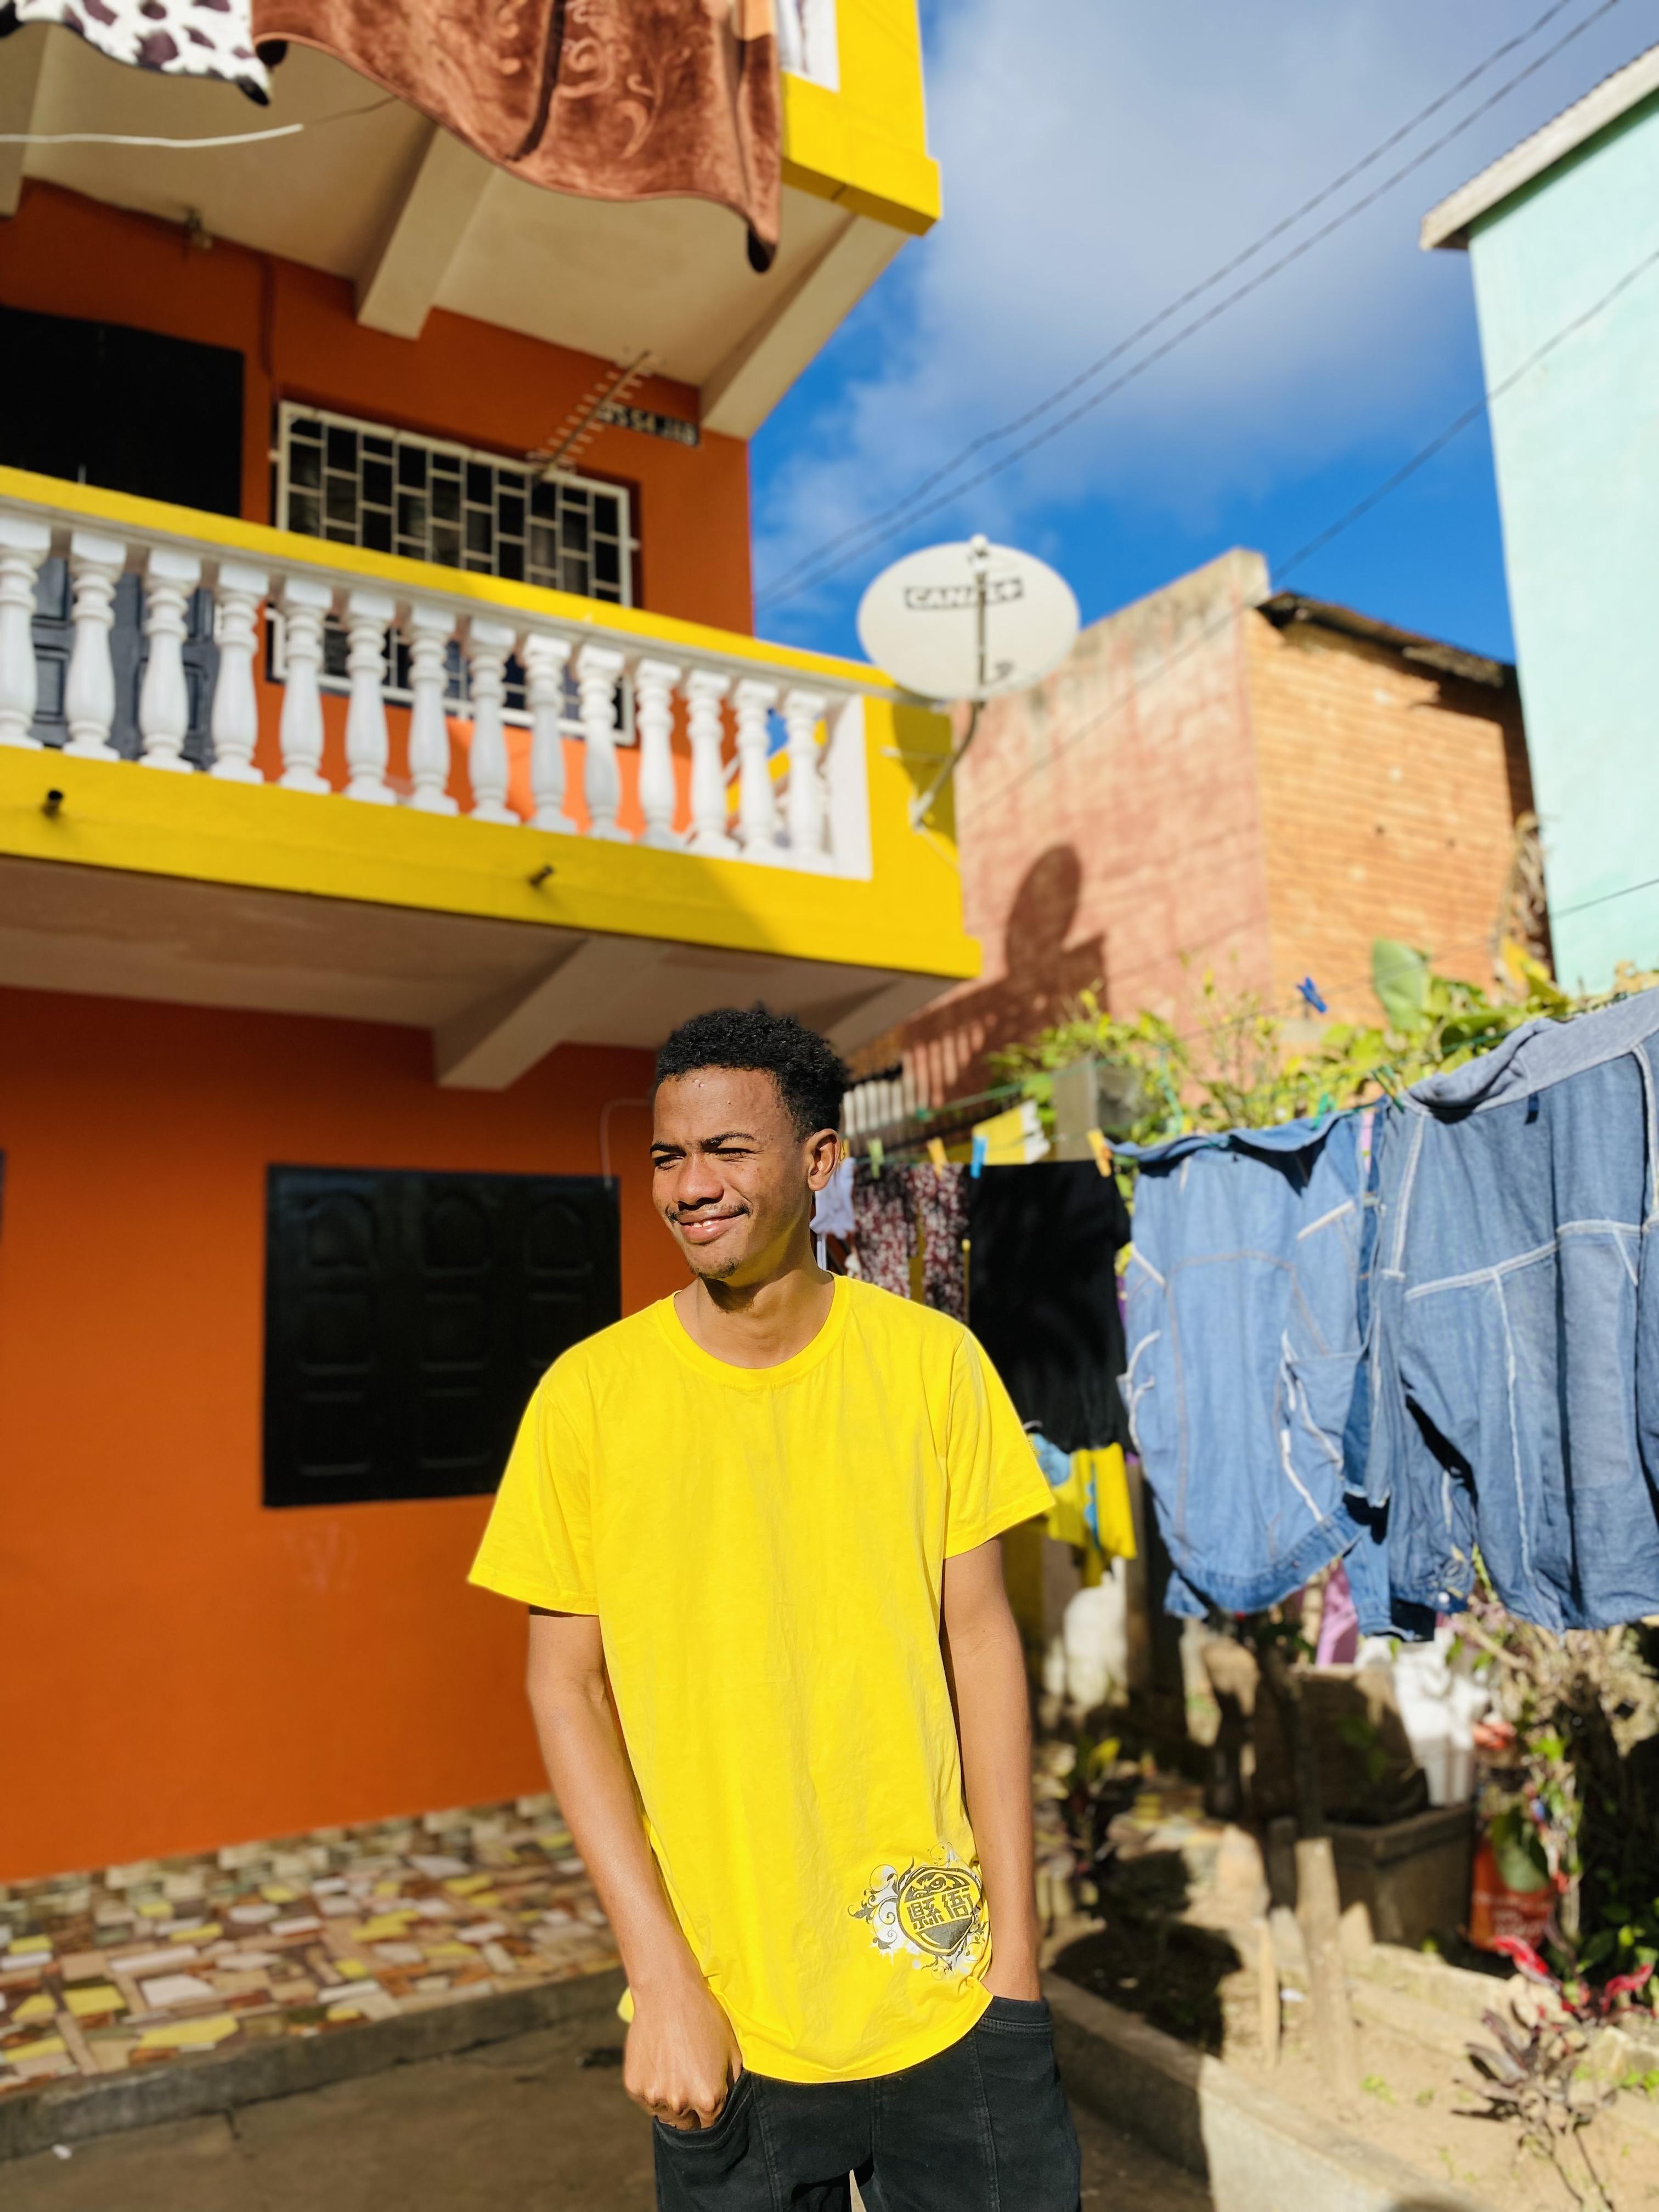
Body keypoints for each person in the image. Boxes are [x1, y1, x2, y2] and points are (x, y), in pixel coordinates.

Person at [469, 1006, 1082, 2210]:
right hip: (725, 2012)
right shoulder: (587, 1400)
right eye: (667, 1157)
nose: (690, 1186)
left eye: (727, 1151)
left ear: (819, 1160)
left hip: (948, 1989)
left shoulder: (933, 1366)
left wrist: (1016, 1954)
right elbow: (565, 1688)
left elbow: (980, 1642)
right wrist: (661, 1982)